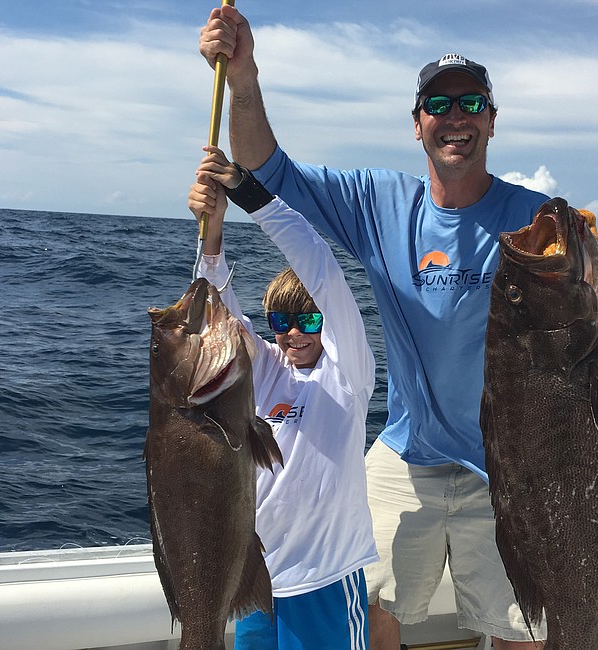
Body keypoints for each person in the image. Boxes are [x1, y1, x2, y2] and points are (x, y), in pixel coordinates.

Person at [199, 7, 549, 648]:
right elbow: (271, 174)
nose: (456, 116)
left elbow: (589, 350)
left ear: (492, 120)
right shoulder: (380, 202)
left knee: (521, 626)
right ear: (417, 125)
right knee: (373, 602)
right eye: (438, 104)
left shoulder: (535, 222)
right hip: (405, 448)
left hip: (511, 463)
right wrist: (244, 80)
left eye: (472, 102)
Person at [188, 145, 378, 650]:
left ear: (327, 324)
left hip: (326, 582)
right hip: (258, 581)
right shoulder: (266, 370)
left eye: (310, 320)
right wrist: (213, 234)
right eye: (281, 322)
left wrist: (253, 197)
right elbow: (213, 318)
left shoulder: (348, 376)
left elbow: (322, 270)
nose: (294, 333)